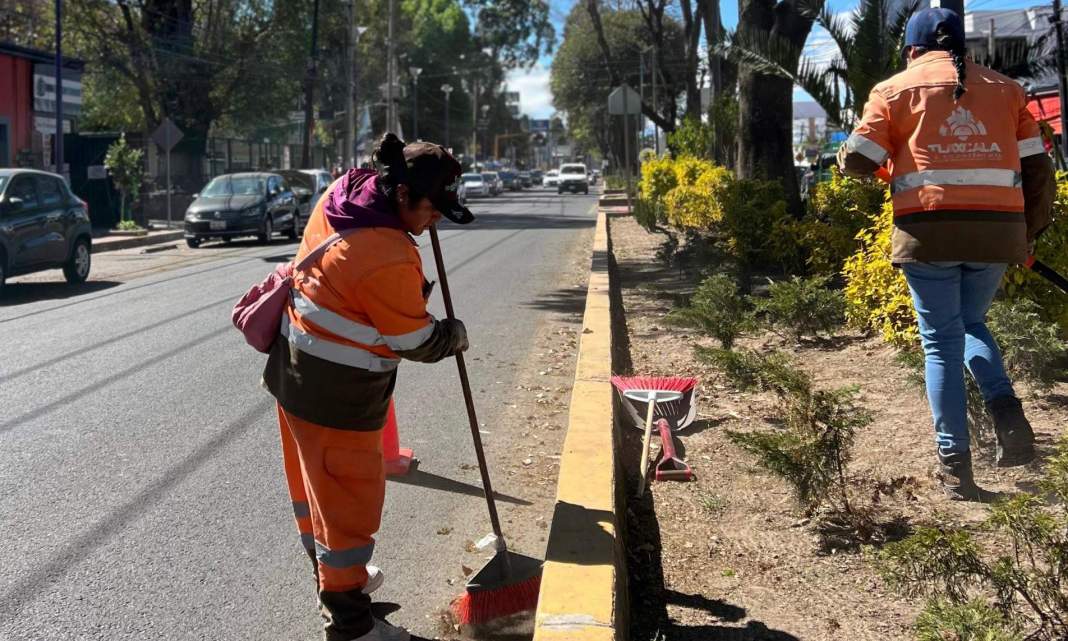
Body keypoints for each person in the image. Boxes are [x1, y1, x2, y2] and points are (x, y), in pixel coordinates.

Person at [838, 8, 1056, 501]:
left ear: (912, 50)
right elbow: (1037, 169)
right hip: (997, 236)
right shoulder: (1008, 91)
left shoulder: (892, 91)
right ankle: (1008, 415)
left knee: (940, 340)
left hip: (928, 235)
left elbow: (858, 158)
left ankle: (956, 466)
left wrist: (874, 157)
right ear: (964, 48)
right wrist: (1026, 234)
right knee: (972, 323)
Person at [263, 133, 474, 640]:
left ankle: (339, 582)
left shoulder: (345, 192)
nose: (437, 219)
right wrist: (453, 335)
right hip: (337, 401)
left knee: (316, 495)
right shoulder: (386, 255)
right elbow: (415, 339)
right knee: (348, 514)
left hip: (293, 375)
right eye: (433, 208)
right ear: (401, 196)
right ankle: (351, 623)